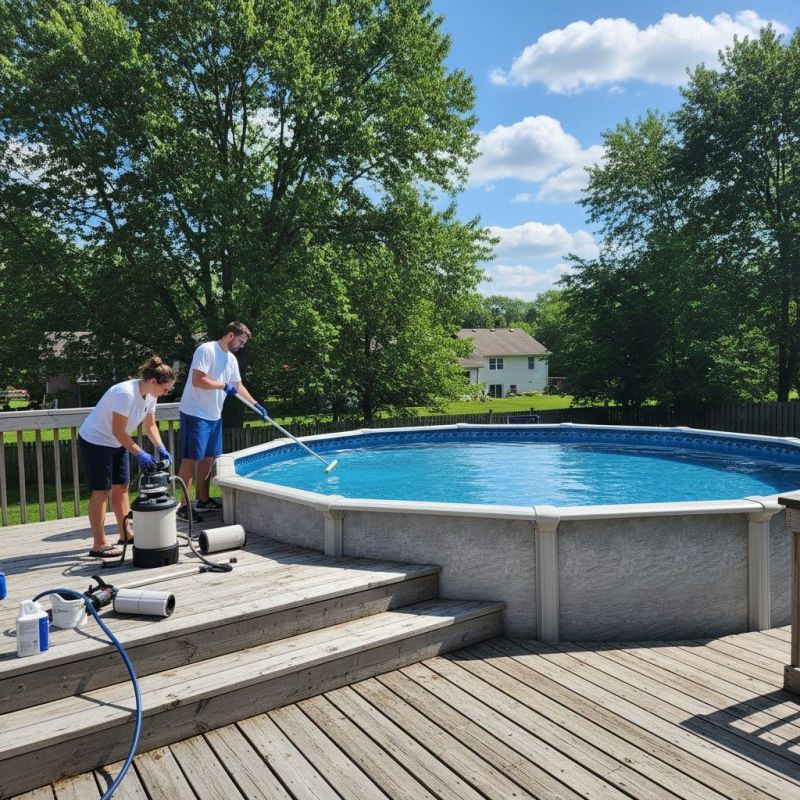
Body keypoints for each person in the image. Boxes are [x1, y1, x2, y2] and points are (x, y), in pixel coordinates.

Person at [78, 357, 175, 558]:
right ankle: (99, 544)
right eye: (165, 389)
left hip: (116, 442)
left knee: (121, 487)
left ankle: (126, 534)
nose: (166, 394)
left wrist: (161, 447)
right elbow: (118, 430)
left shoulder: (151, 396)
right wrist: (139, 453)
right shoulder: (126, 393)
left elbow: (150, 425)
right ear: (153, 382)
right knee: (101, 491)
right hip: (96, 440)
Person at [177, 321, 266, 522]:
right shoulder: (206, 350)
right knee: (191, 458)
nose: (242, 345)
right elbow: (197, 380)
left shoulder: (231, 359)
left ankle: (203, 499)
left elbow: (238, 385)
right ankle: (183, 507)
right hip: (195, 412)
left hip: (214, 414)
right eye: (241, 341)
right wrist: (223, 386)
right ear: (231, 336)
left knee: (208, 458)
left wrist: (255, 404)